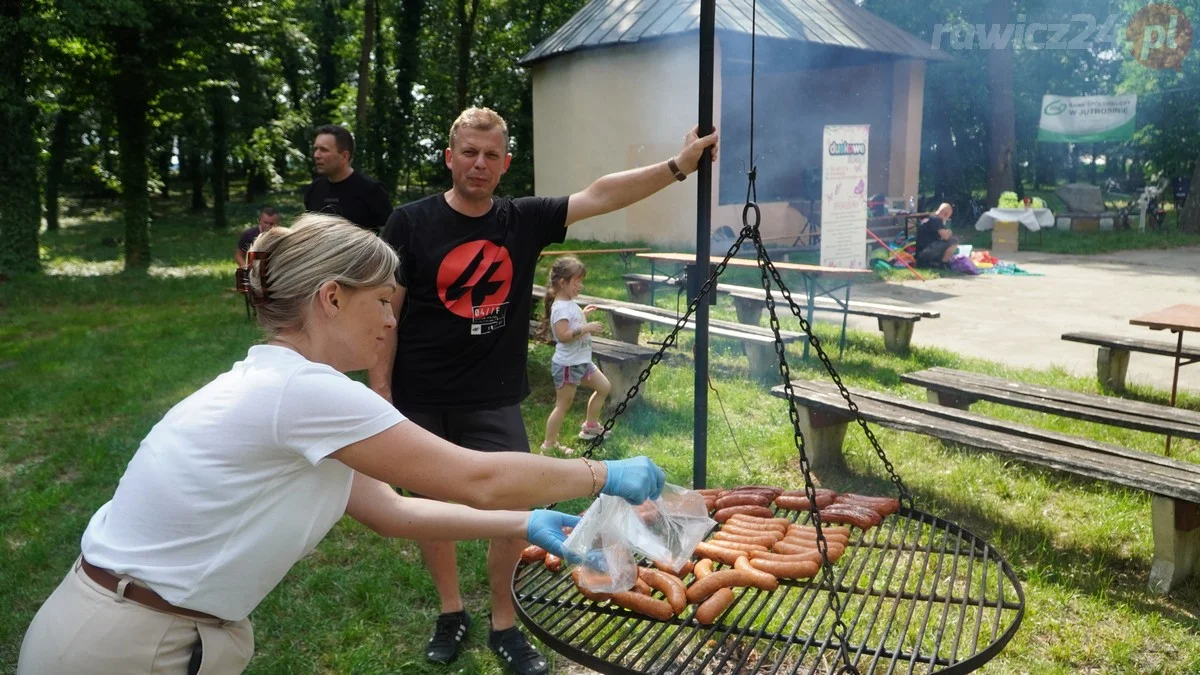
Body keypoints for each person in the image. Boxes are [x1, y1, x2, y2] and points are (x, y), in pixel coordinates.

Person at [16, 214, 666, 675]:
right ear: (331, 297)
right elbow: (474, 476)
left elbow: (392, 512)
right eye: (382, 301)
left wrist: (524, 520)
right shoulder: (304, 392)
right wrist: (601, 471)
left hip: (125, 630)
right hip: (126, 648)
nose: (392, 319)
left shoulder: (284, 388)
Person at [371, 106, 717, 674]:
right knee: (430, 509)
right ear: (449, 157)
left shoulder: (521, 220)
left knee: (517, 506)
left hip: (494, 394)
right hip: (420, 393)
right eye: (468, 153)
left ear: (505, 163)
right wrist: (380, 388)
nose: (478, 164)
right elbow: (388, 312)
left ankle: (503, 622)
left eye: (490, 156)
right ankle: (450, 610)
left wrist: (678, 167)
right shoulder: (409, 223)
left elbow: (602, 194)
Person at [538, 256, 610, 454]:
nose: (581, 285)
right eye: (577, 281)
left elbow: (572, 324)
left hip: (581, 361)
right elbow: (562, 336)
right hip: (568, 365)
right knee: (563, 405)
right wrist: (586, 328)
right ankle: (549, 445)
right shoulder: (560, 307)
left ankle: (590, 427)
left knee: (604, 387)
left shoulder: (569, 303)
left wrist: (582, 315)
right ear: (563, 282)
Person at [304, 125, 393, 231]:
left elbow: (390, 236)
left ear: (344, 156)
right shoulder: (314, 189)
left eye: (324, 150)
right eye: (316, 149)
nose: (316, 155)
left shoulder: (371, 190)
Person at [915, 203, 958, 268]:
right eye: (948, 216)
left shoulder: (929, 218)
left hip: (920, 253)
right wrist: (949, 233)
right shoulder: (936, 220)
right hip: (926, 252)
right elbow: (946, 237)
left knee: (943, 243)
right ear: (946, 214)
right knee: (954, 240)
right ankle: (943, 263)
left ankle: (932, 263)